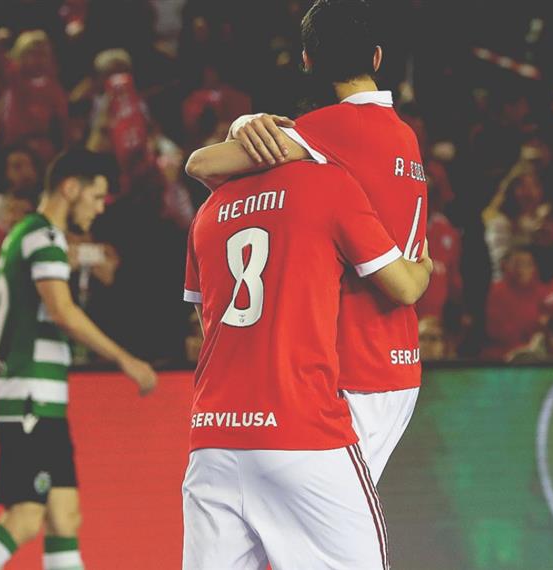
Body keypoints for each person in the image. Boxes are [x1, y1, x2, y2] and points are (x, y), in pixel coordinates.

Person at [185, 0, 428, 483]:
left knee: (333, 540)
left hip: (353, 368)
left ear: (307, 59)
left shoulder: (332, 130)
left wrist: (245, 125)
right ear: (376, 58)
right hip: (398, 360)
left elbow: (202, 165)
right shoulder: (404, 137)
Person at [182, 159, 432, 569]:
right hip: (300, 431)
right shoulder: (326, 184)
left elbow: (209, 326)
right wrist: (424, 268)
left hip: (211, 441)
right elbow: (403, 287)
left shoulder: (208, 212)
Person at [0, 149, 158, 570]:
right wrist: (127, 360)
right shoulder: (43, 237)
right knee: (26, 518)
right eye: (97, 197)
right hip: (29, 395)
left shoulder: (29, 234)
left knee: (64, 517)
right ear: (71, 188)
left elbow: (69, 260)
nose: (100, 207)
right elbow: (63, 312)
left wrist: (91, 256)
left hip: (38, 396)